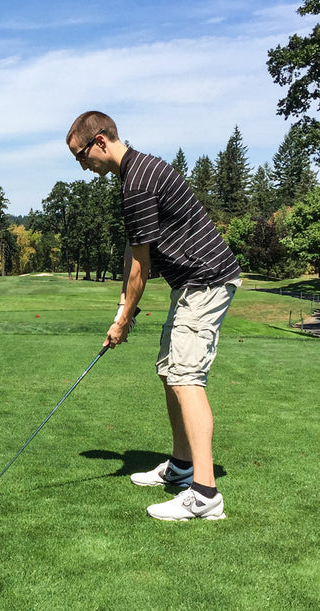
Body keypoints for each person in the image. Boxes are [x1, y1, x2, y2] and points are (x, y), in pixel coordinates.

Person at [66, 111, 241, 521]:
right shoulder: (135, 175)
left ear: (102, 140)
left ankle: (204, 494)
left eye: (81, 154)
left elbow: (141, 270)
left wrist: (123, 320)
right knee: (169, 370)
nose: (82, 164)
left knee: (186, 378)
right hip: (191, 284)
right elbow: (134, 253)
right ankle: (182, 466)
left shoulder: (138, 184)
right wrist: (121, 313)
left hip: (207, 280)